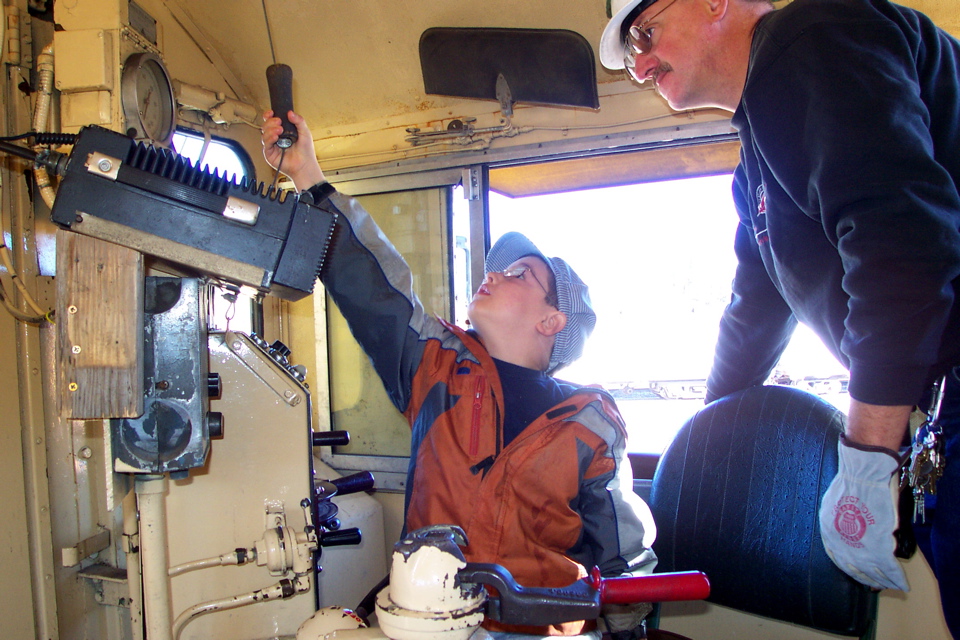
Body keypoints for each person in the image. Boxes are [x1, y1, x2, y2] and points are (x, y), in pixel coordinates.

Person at [600, 0, 960, 635]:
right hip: (937, 415)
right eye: (631, 55)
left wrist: (868, 456)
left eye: (644, 33)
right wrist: (707, 436)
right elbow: (755, 310)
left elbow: (901, 245)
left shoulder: (813, 38)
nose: (642, 62)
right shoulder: (758, 157)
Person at [261, 110, 657, 638]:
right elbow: (371, 281)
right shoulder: (433, 363)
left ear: (551, 321)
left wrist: (629, 632)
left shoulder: (592, 424)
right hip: (430, 623)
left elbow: (623, 556)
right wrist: (307, 174)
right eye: (499, 267)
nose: (494, 273)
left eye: (521, 274)